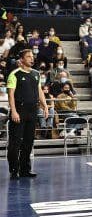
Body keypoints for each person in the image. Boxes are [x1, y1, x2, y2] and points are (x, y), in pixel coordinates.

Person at [7, 49, 50, 179]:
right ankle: (14, 169)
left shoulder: (36, 74)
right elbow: (11, 95)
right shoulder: (14, 74)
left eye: (32, 56)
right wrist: (14, 111)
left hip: (32, 111)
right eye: (28, 56)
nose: (32, 58)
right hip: (19, 111)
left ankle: (25, 169)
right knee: (15, 142)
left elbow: (39, 91)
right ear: (21, 59)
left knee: (28, 142)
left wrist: (45, 106)